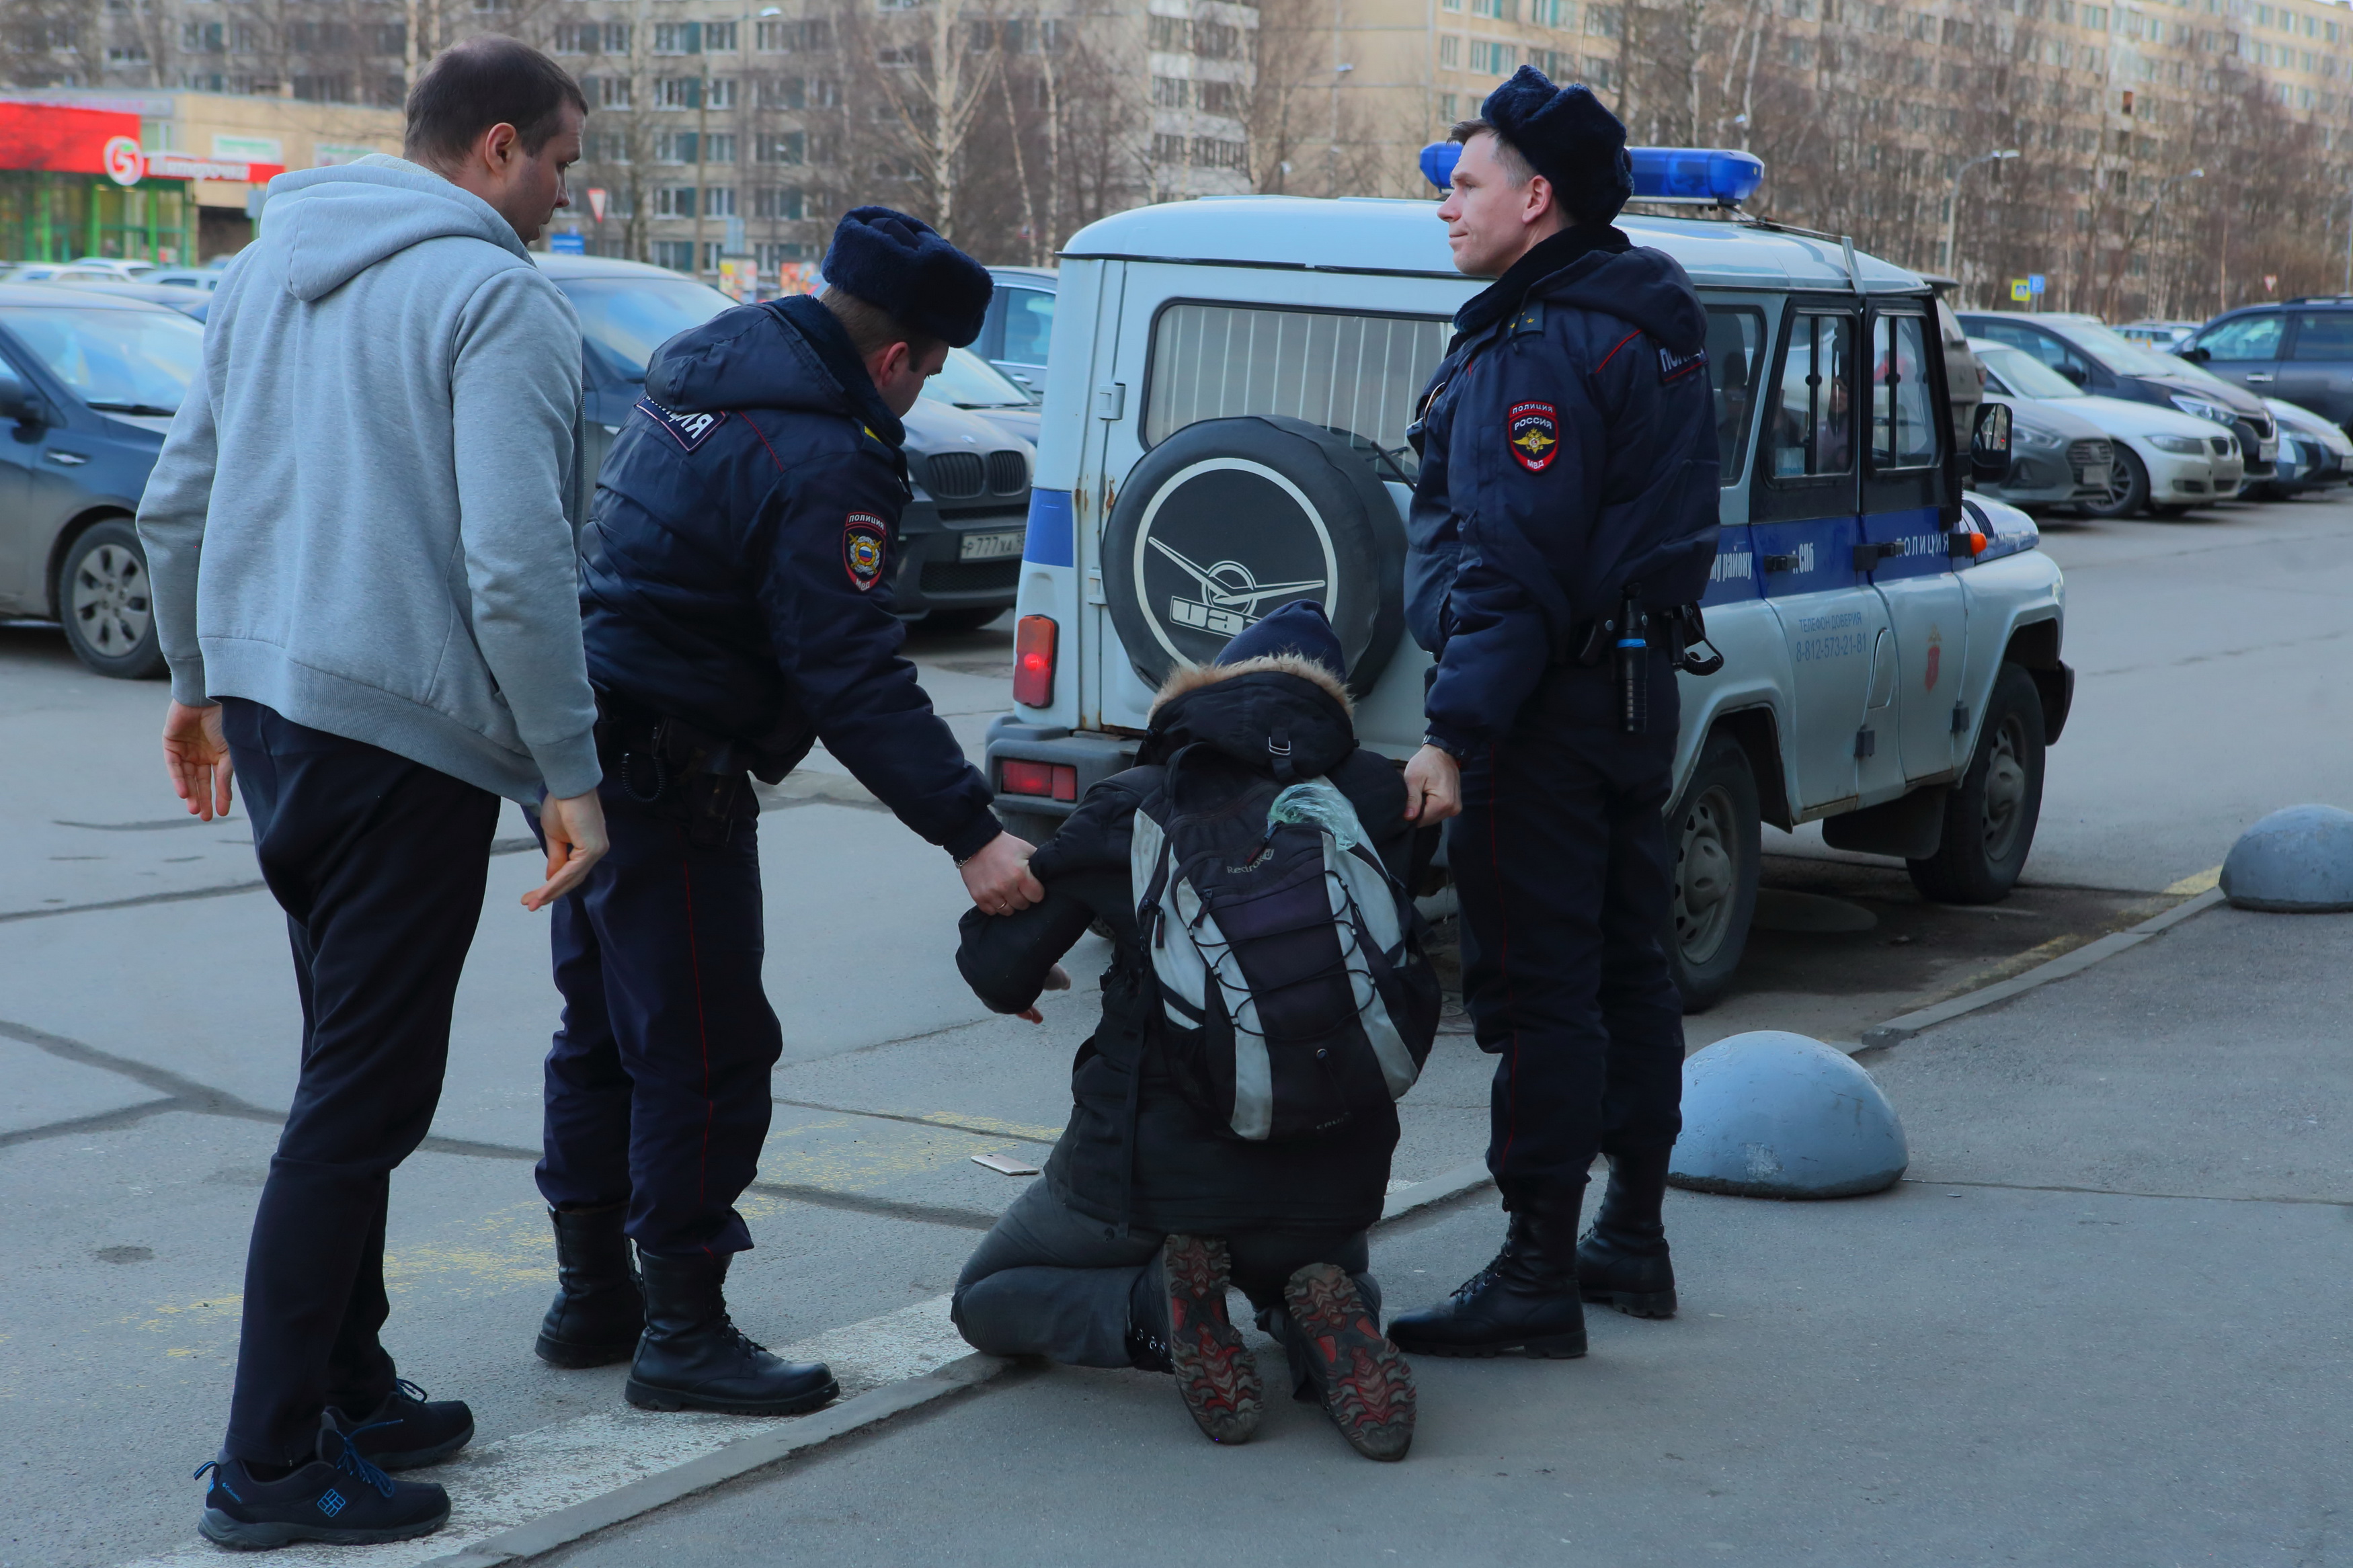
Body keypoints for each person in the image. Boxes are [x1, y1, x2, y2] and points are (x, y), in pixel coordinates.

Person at [137, 38, 604, 1549]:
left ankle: (348, 1374)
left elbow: (177, 498)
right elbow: (518, 569)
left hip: (276, 712)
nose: (562, 191)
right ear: (492, 149)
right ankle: (270, 1463)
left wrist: (198, 682)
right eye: (557, 160)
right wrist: (566, 773)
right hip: (400, 737)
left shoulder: (267, 268)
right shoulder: (497, 298)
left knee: (345, 1060)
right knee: (362, 1098)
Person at [527, 207, 1043, 1417]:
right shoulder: (825, 453)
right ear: (897, 359)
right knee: (707, 1052)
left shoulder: (705, 370)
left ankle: (593, 1292)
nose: (916, 397)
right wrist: (971, 831)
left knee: (602, 1029)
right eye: (924, 375)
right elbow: (850, 671)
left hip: (583, 753)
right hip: (669, 770)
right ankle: (684, 1334)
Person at [1385, 68, 1720, 1360]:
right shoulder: (1646, 310)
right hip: (1631, 690)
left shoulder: (1540, 341)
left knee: (1535, 988)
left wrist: (1453, 735)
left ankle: (1535, 1269)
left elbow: (1511, 568)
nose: (1445, 206)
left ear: (1536, 199)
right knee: (1632, 965)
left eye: (1463, 183)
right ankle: (1630, 1233)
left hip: (1542, 707)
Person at [950, 600, 1422, 1463]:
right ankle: (1325, 1313)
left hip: (1141, 1185)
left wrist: (1027, 961)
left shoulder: (1131, 803)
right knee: (1329, 1264)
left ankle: (1153, 1308)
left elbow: (996, 965)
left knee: (986, 1297)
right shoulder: (1377, 797)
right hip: (1330, 1179)